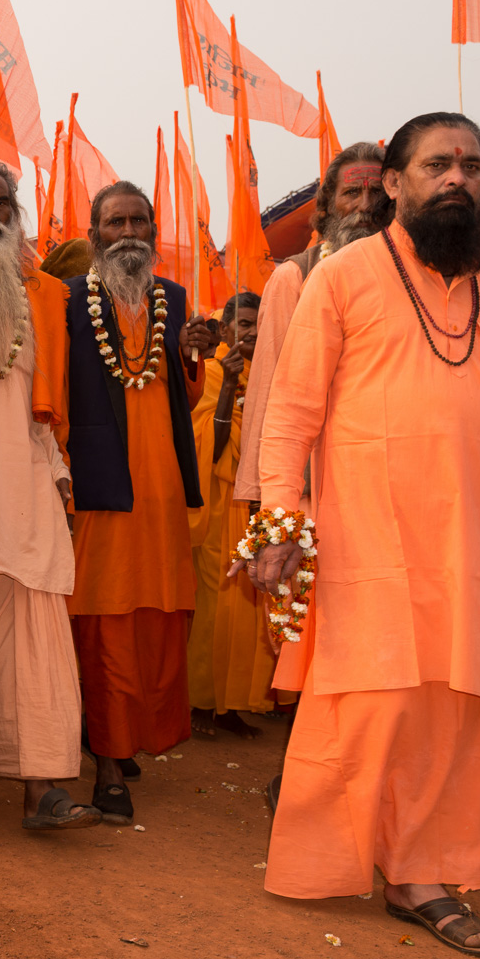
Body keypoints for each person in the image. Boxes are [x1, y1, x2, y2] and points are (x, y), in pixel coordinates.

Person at [247, 112, 480, 955]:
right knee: (368, 714)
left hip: (476, 555)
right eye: (439, 164)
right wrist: (282, 524)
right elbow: (291, 415)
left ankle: (420, 875)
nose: (459, 178)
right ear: (395, 183)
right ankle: (352, 857)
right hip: (367, 545)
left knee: (460, 718)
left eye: (473, 166)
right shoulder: (341, 278)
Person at [0, 161, 97, 829]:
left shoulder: (52, 297)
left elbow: (66, 400)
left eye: (3, 204)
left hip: (28, 485)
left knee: (39, 635)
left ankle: (44, 791)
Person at [63, 181, 217, 824]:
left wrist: (191, 357)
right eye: (115, 222)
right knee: (102, 624)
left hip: (158, 495)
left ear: (153, 232)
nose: (128, 232)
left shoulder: (173, 300)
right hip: (100, 490)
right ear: (94, 234)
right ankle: (104, 759)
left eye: (139, 221)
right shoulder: (69, 302)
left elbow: (182, 390)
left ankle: (131, 738)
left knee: (157, 617)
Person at [234, 143, 387, 506]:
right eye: (352, 192)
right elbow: (270, 387)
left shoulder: (416, 275)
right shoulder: (295, 276)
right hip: (318, 483)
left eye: (376, 192)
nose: (366, 206)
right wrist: (265, 496)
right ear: (326, 207)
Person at [187, 291, 268, 739]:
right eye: (243, 324)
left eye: (258, 326)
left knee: (246, 610)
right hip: (221, 503)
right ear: (226, 328)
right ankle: (202, 701)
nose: (251, 333)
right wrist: (232, 387)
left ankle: (232, 701)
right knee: (216, 606)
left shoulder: (276, 375)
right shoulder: (214, 374)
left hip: (260, 506)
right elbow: (209, 449)